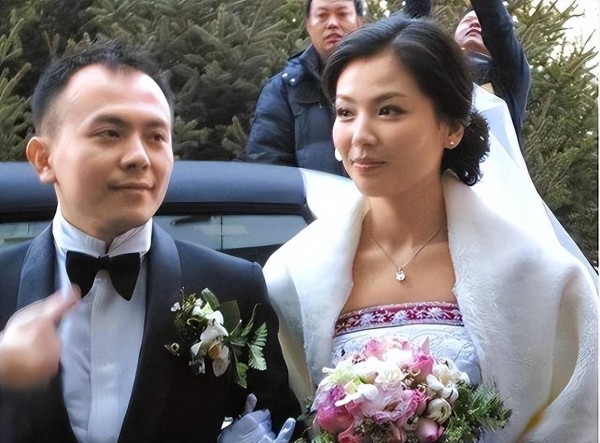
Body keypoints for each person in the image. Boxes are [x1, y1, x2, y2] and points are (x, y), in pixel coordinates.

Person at [264, 15, 598, 442]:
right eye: (346, 112)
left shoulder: (537, 276)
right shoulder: (293, 275)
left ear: (452, 127)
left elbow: (578, 417)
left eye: (389, 110)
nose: (360, 135)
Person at [0, 40, 298, 442]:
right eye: (110, 133)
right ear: (43, 158)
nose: (139, 156)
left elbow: (281, 423)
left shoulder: (235, 287)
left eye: (156, 136)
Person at [243, 0, 364, 175]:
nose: (332, 23)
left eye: (342, 14)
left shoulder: (386, 79)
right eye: (322, 15)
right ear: (308, 25)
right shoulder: (284, 89)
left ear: (359, 21)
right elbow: (266, 166)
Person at [405, 0, 531, 144]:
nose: (474, 24)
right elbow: (414, 32)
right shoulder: (437, 67)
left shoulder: (511, 74)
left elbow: (496, 22)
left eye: (480, 22)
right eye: (467, 21)